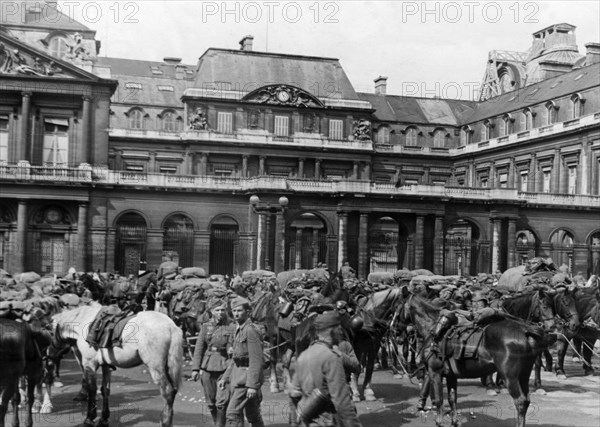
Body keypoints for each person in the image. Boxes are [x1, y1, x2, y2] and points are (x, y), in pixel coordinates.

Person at [288, 310, 363, 427]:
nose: (340, 331)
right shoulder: (331, 357)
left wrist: (294, 422)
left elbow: (294, 393)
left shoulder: (304, 355)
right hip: (329, 420)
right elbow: (341, 401)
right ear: (331, 330)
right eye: (338, 328)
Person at [218, 296, 265, 427]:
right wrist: (225, 377)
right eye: (234, 311)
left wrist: (252, 385)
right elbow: (236, 358)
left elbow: (256, 359)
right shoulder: (239, 329)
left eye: (239, 310)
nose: (236, 314)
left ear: (247, 312)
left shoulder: (250, 330)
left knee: (232, 414)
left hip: (246, 380)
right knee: (253, 415)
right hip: (238, 377)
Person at [191, 299, 234, 427]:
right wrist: (195, 369)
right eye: (217, 310)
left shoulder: (231, 326)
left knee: (222, 402)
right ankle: (216, 422)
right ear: (211, 311)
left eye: (222, 310)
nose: (220, 312)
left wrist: (230, 349)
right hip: (207, 366)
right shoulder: (205, 327)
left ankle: (220, 425)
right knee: (210, 402)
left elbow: (232, 344)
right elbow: (199, 348)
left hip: (225, 365)